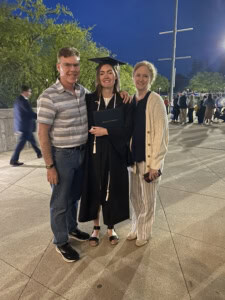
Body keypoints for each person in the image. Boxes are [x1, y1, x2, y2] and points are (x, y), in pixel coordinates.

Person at [37, 47, 90, 263]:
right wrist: (50, 166)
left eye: (75, 64)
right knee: (59, 201)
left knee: (74, 197)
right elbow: (42, 134)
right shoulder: (49, 97)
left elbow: (104, 98)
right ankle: (60, 241)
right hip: (61, 157)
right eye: (67, 64)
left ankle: (71, 228)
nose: (72, 69)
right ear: (59, 66)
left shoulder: (83, 92)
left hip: (82, 153)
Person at [79, 57, 133, 246]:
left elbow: (128, 129)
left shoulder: (123, 100)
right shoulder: (89, 99)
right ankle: (95, 228)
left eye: (110, 72)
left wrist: (107, 131)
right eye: (102, 73)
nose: (106, 76)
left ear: (116, 76)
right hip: (94, 153)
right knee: (95, 187)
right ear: (98, 77)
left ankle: (111, 227)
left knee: (113, 188)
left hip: (115, 152)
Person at [127, 61, 168, 247]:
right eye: (138, 75)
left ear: (150, 79)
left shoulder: (155, 100)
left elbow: (162, 134)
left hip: (149, 160)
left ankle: (144, 232)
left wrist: (155, 165)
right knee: (135, 198)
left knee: (148, 200)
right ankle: (136, 227)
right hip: (133, 159)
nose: (141, 79)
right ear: (133, 77)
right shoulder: (132, 101)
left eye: (145, 76)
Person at [10, 85, 42, 166]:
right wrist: (40, 116)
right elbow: (29, 113)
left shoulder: (18, 100)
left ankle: (39, 153)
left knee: (32, 140)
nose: (30, 93)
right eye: (29, 91)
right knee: (20, 144)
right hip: (25, 127)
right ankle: (13, 160)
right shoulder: (22, 101)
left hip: (24, 126)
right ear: (25, 92)